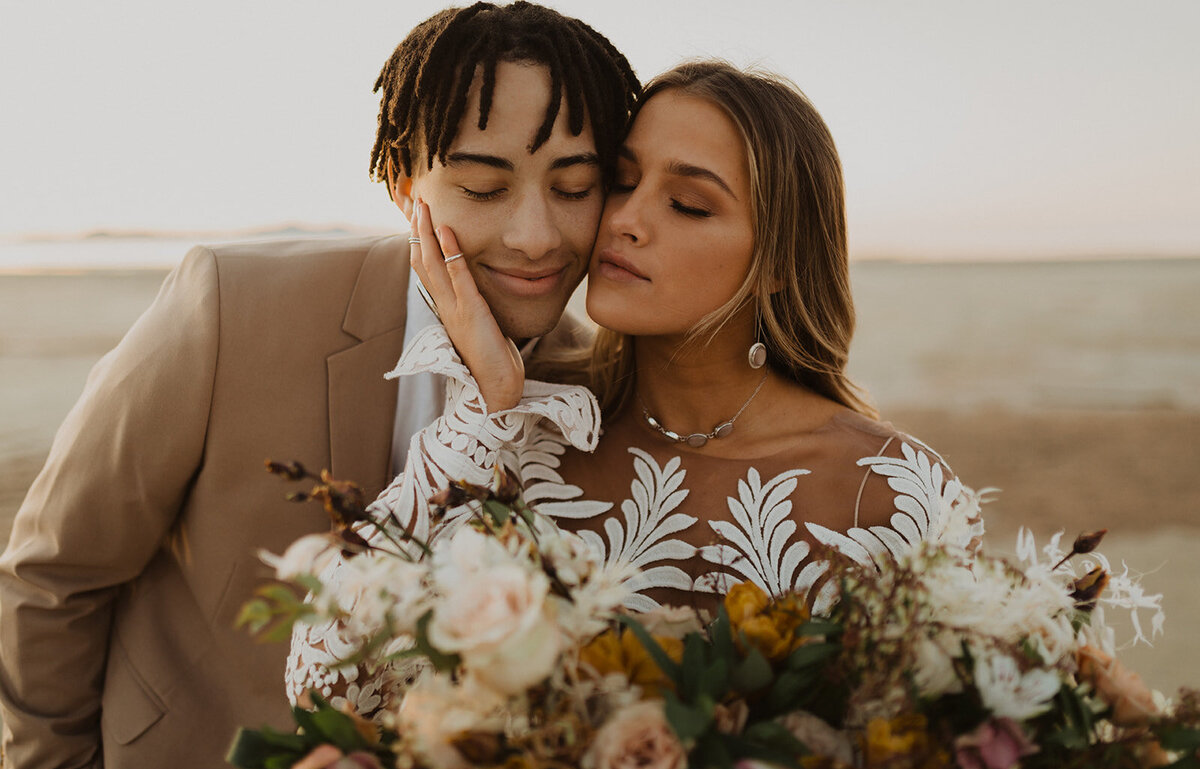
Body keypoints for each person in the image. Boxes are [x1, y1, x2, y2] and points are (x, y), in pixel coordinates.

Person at [0, 4, 638, 769]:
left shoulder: (602, 390)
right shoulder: (230, 305)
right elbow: (54, 576)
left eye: (575, 187)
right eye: (483, 186)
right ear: (407, 188)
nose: (537, 235)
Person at [287, 61, 982, 714]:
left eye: (686, 203)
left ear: (778, 261)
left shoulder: (893, 491)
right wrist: (487, 405)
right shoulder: (515, 444)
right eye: (619, 182)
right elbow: (330, 691)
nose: (625, 220)